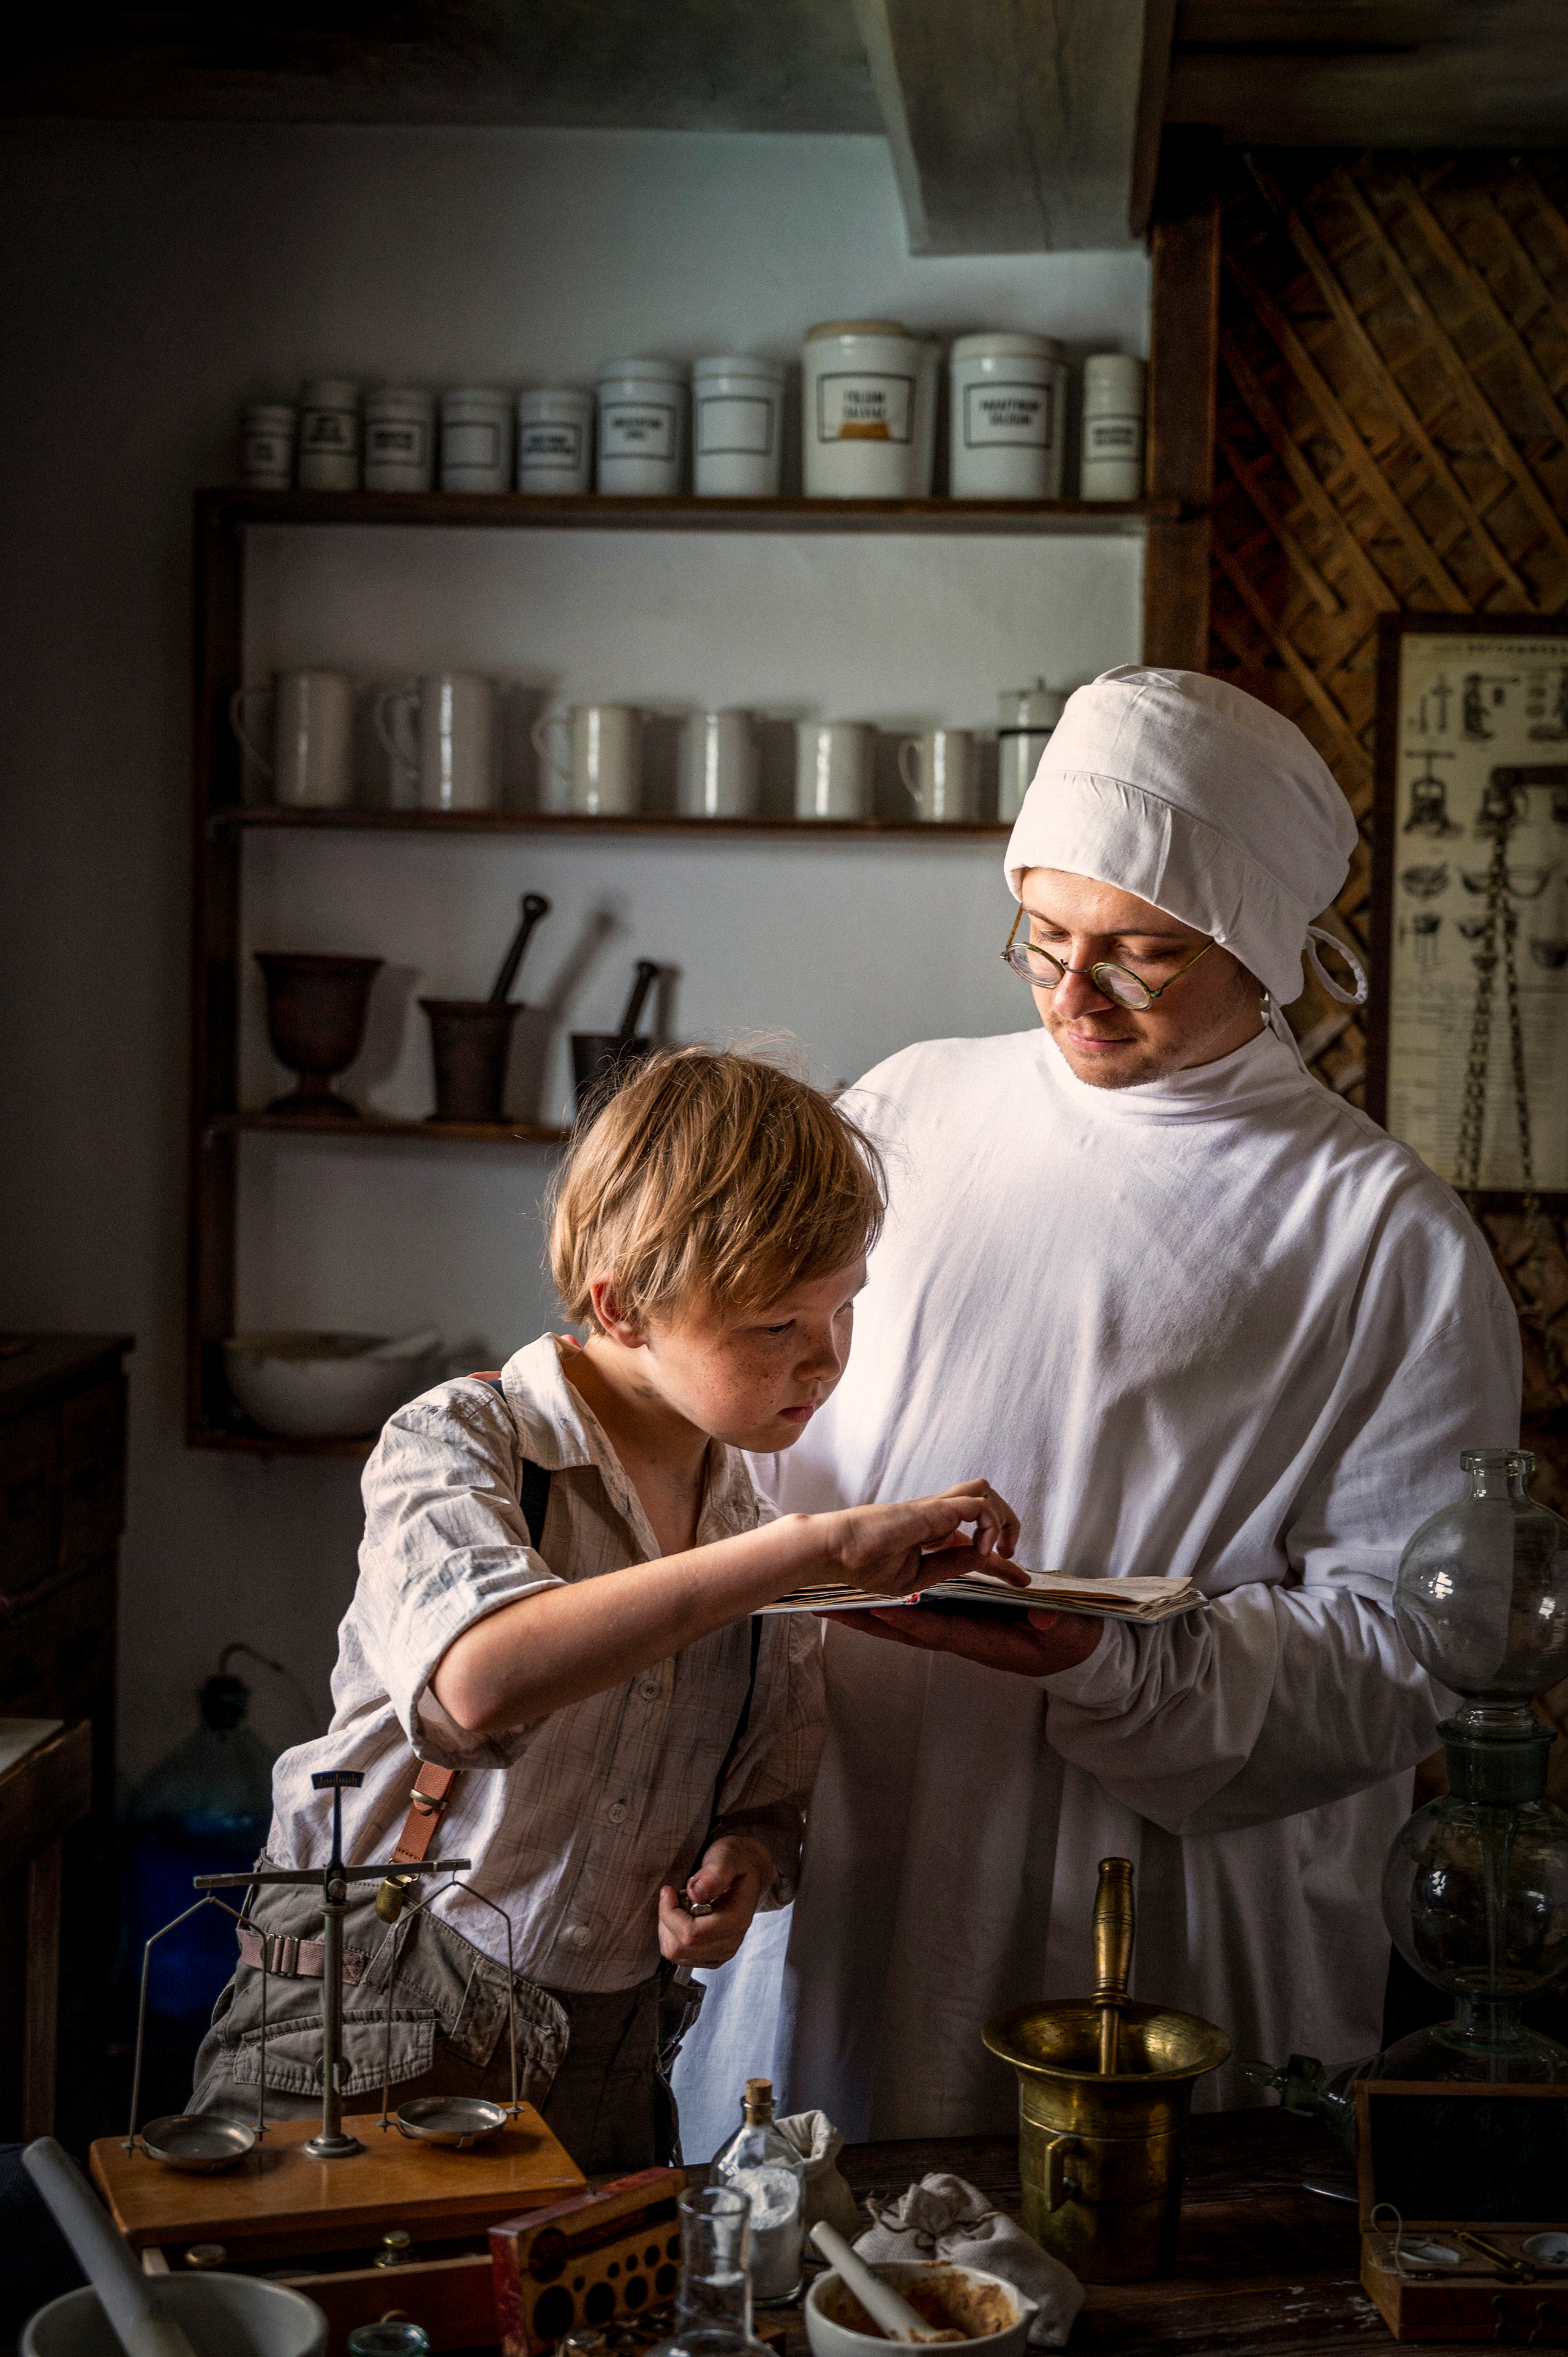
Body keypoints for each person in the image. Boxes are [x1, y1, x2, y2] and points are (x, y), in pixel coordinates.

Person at [675, 666, 1521, 2147]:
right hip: (839, 1819)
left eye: (1140, 955)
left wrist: (1113, 1660)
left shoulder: (1378, 1231)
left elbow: (1411, 1653)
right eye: (1044, 937)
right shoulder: (906, 1109)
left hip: (1147, 1886)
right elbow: (733, 1424)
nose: (1072, 993)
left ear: (1261, 948)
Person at [189, 1049, 1020, 2170]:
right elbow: (479, 1679)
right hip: (371, 2025)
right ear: (622, 1306)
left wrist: (745, 1865)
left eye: (842, 1310)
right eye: (775, 1326)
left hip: (617, 2051)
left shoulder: (747, 1524)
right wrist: (806, 1553)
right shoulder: (458, 1444)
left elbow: (771, 1796)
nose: (824, 1361)